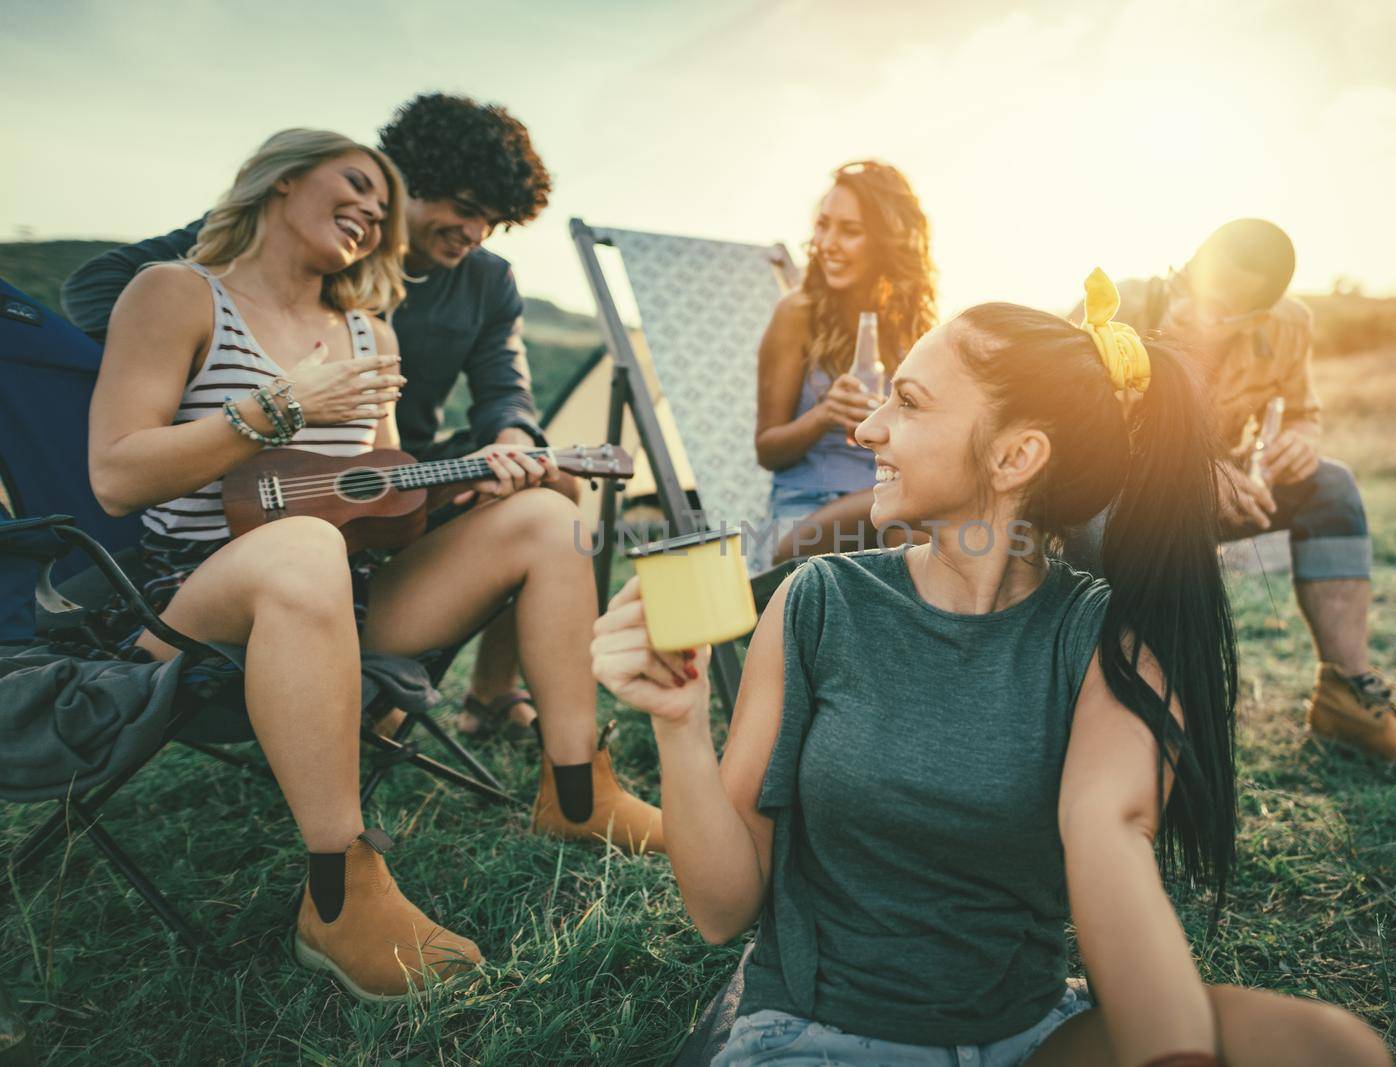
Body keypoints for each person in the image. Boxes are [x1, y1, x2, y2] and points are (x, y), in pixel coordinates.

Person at [593, 272, 1392, 1066]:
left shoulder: (1105, 637)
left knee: (1327, 1048)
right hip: (819, 1035)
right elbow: (721, 908)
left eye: (907, 402)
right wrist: (680, 726)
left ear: (1016, 456)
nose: (868, 428)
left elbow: (1107, 830)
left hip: (1028, 1034)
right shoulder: (818, 604)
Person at [87, 129, 658, 999]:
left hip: (342, 593)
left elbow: (377, 504)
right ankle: (339, 890)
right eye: (354, 183)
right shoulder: (175, 293)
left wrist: (467, 487)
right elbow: (116, 476)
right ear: (281, 181)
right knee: (304, 548)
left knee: (542, 514)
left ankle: (577, 791)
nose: (369, 209)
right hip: (192, 600)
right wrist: (281, 405)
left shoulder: (369, 334)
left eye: (381, 207)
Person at [63, 92, 570, 749]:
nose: (476, 235)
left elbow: (506, 387)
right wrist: (205, 353)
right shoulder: (273, 243)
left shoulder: (481, 283)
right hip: (255, 486)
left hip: (385, 475)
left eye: (494, 224)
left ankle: (493, 693)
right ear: (412, 180)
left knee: (551, 489)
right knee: (303, 547)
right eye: (468, 210)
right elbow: (103, 287)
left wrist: (505, 446)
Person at [1086, 219, 1396, 772]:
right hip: (1116, 500)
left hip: (1220, 492)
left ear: (1259, 313)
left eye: (1227, 307)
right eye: (1201, 283)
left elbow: (1303, 410)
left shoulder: (1290, 325)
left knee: (1331, 485)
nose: (1206, 306)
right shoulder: (1122, 303)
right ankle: (1105, 701)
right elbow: (1073, 433)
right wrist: (1189, 471)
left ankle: (1347, 700)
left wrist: (1302, 438)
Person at [752, 160, 937, 565]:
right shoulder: (797, 313)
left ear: (888, 242)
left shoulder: (915, 328)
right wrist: (824, 415)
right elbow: (766, 449)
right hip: (808, 519)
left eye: (850, 231)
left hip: (890, 508)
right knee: (924, 531)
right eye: (823, 225)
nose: (827, 243)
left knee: (942, 527)